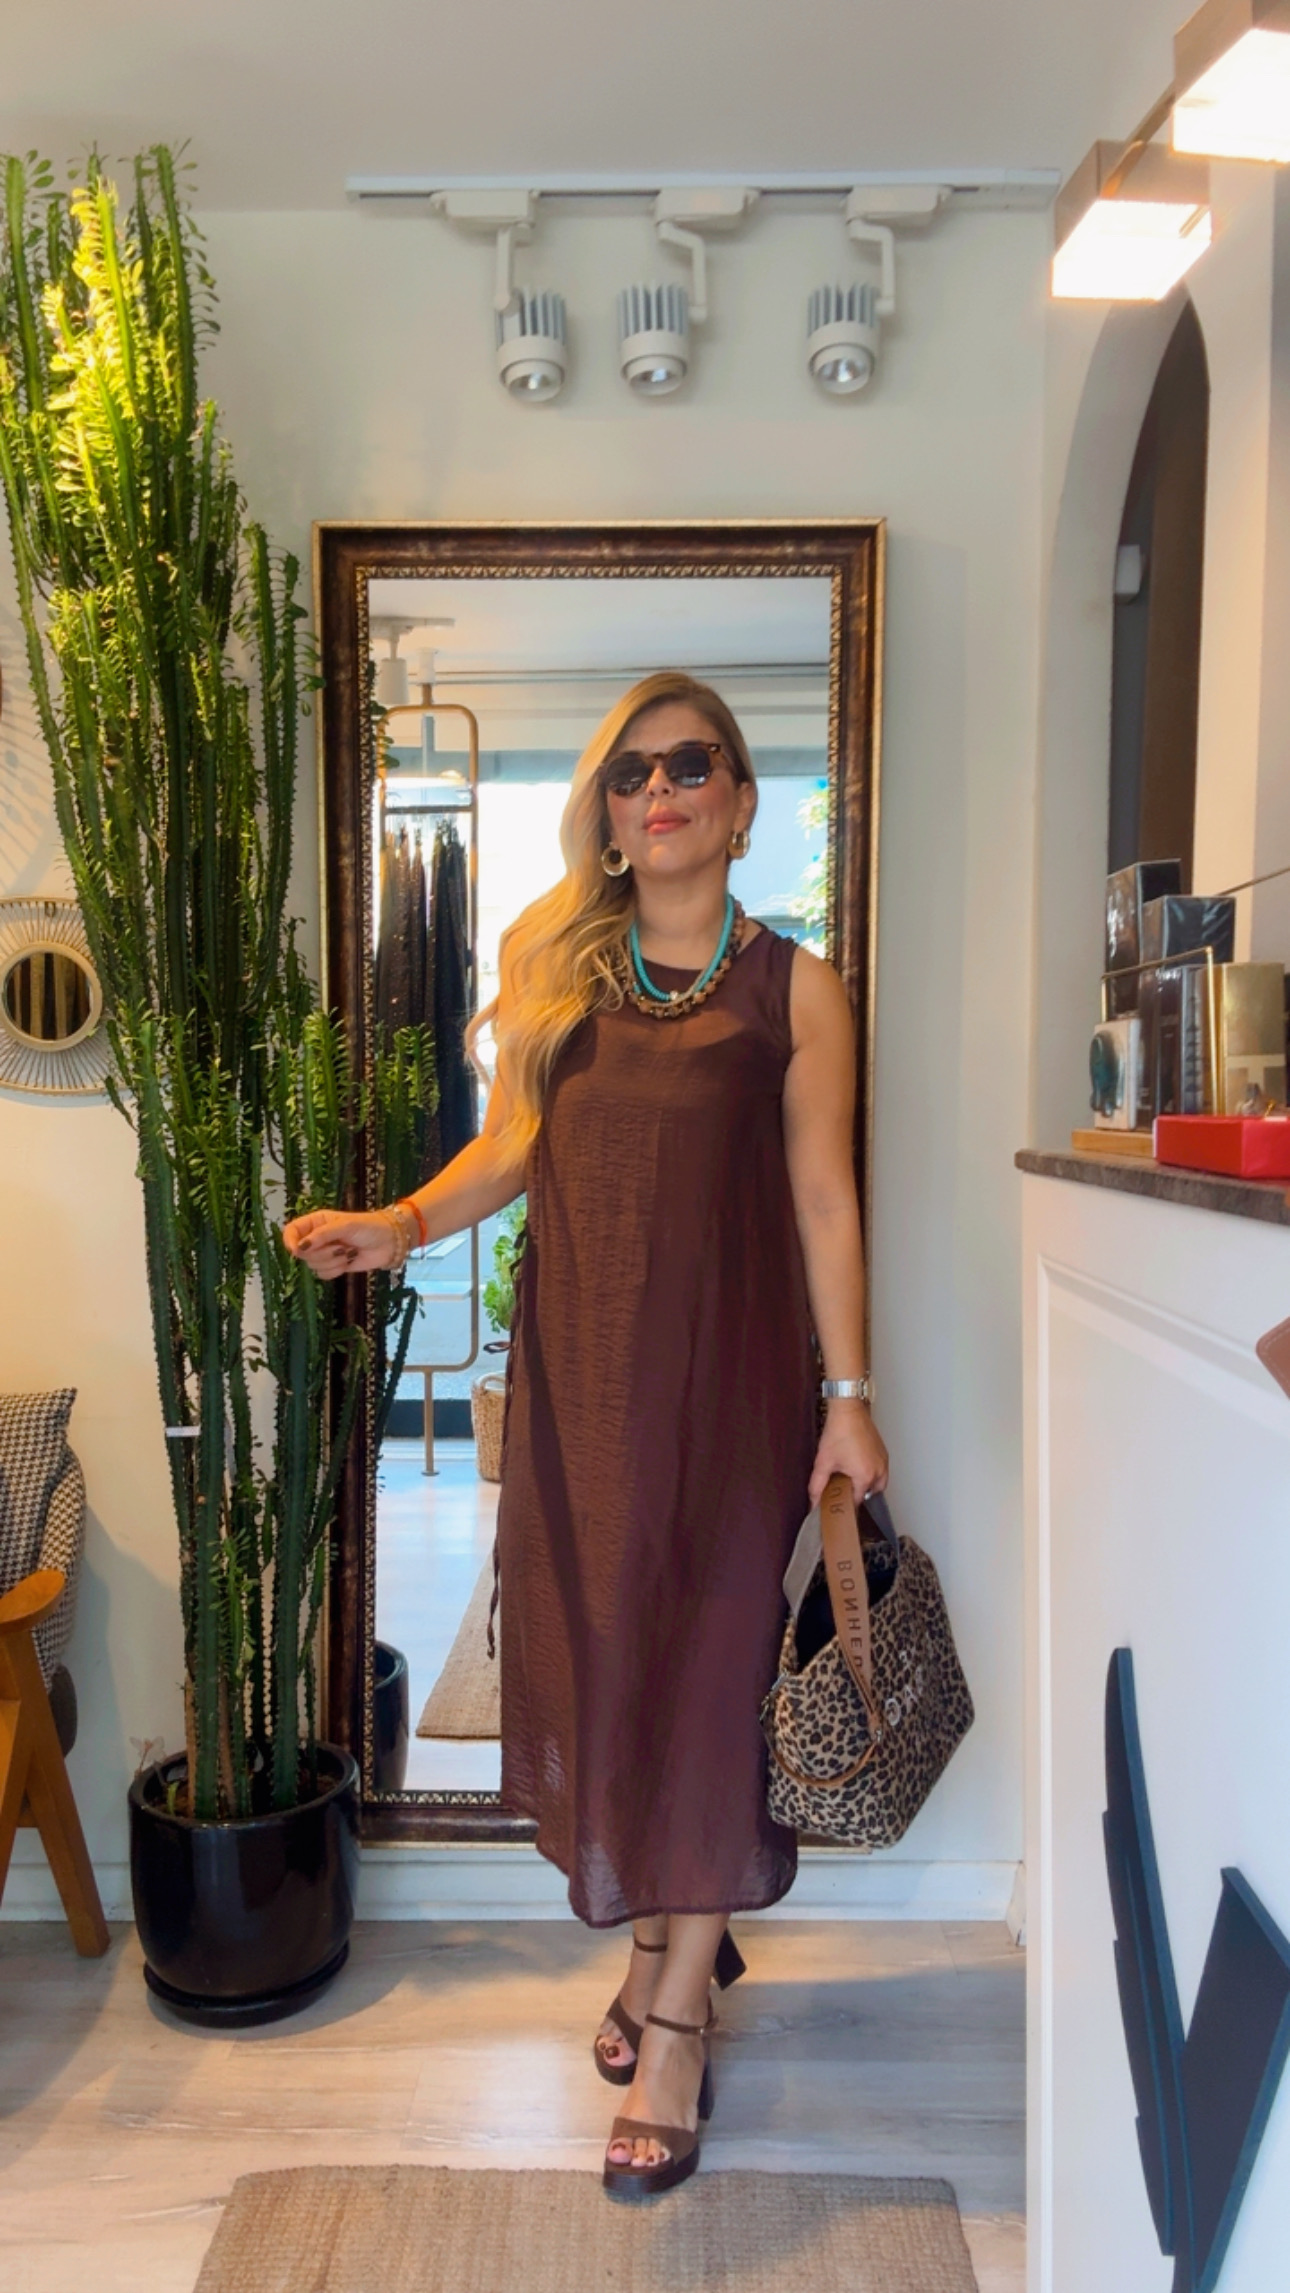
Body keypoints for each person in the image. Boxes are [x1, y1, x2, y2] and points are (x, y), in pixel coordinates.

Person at [285, 670, 889, 2200]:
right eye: (631, 772)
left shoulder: (795, 990)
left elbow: (826, 1199)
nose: (659, 789)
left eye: (691, 764)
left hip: (734, 1393)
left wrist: (849, 1399)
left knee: (711, 1675)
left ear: (740, 802)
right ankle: (666, 1939)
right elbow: (509, 1149)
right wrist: (395, 1223)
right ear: (607, 818)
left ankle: (673, 2017)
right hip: (582, 1395)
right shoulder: (554, 968)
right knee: (614, 1657)